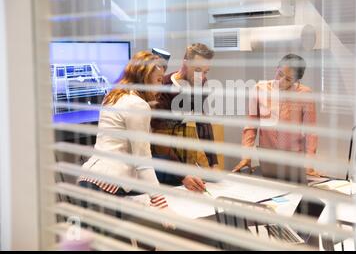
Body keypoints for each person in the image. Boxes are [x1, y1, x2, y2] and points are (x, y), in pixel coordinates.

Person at [77, 50, 169, 208]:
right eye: (158, 80)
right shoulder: (138, 105)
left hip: (88, 178)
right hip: (108, 185)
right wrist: (161, 203)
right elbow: (142, 161)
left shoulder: (113, 96)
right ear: (145, 79)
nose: (161, 87)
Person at [232, 53, 320, 179]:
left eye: (288, 79)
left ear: (297, 80)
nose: (281, 81)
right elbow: (251, 126)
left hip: (294, 158)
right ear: (276, 68)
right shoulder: (259, 89)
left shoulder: (305, 94)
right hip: (268, 157)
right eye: (280, 74)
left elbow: (311, 133)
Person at [151, 43, 219, 192]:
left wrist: (212, 162)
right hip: (167, 164)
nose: (201, 77)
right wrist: (182, 174)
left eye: (205, 72)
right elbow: (161, 139)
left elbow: (202, 122)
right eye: (198, 70)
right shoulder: (163, 87)